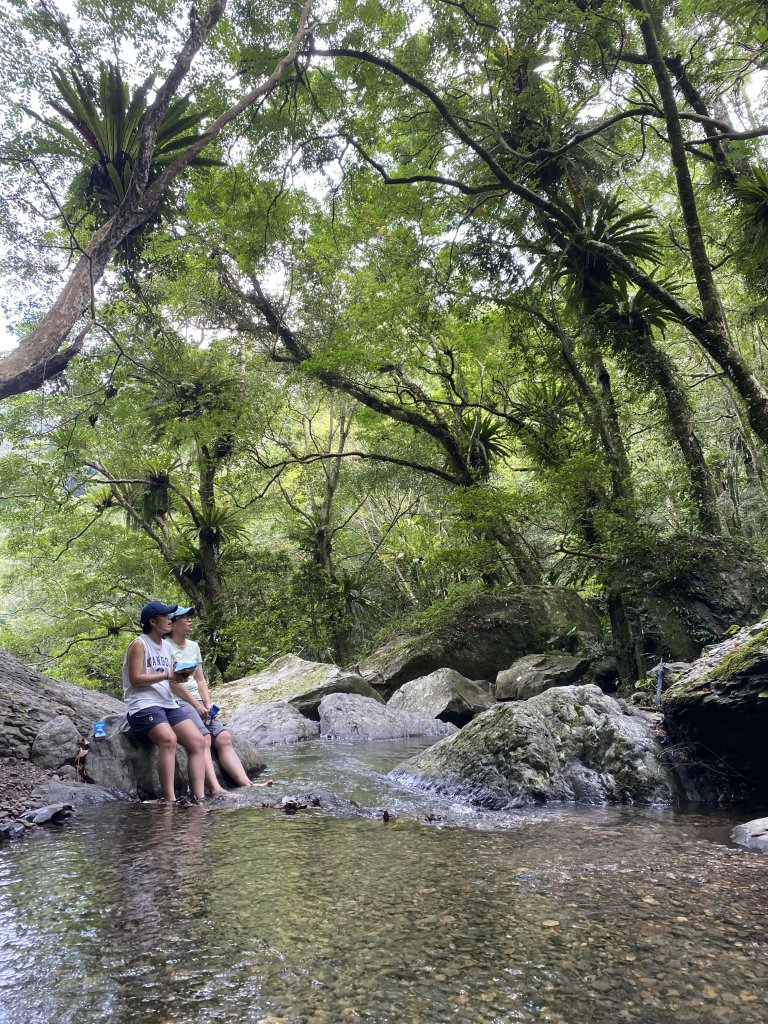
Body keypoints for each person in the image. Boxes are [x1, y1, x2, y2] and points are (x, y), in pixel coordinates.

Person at [167, 607, 273, 792]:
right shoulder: (166, 647)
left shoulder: (194, 646)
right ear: (173, 624)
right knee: (205, 738)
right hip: (179, 701)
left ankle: (247, 783)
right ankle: (216, 789)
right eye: (184, 618)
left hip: (198, 701)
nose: (190, 621)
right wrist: (196, 705)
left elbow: (200, 679)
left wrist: (207, 703)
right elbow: (173, 683)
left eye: (190, 617)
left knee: (224, 737)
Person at [123, 601, 208, 805]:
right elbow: (135, 678)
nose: (171, 620)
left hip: (167, 703)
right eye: (166, 616)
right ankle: (170, 801)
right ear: (153, 621)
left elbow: (169, 679)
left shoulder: (167, 647)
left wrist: (179, 677)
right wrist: (166, 675)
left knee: (198, 742)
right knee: (168, 739)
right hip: (142, 704)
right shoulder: (139, 644)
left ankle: (200, 798)